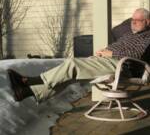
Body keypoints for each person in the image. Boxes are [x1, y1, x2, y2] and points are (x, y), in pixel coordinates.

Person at [8, 8, 150, 103]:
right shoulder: (129, 35)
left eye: (138, 20)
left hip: (122, 67)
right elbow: (120, 47)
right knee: (69, 76)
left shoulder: (147, 37)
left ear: (147, 21)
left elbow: (136, 54)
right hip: (109, 61)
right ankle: (26, 93)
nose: (133, 22)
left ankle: (30, 81)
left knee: (72, 64)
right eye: (133, 19)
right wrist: (104, 50)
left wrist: (111, 53)